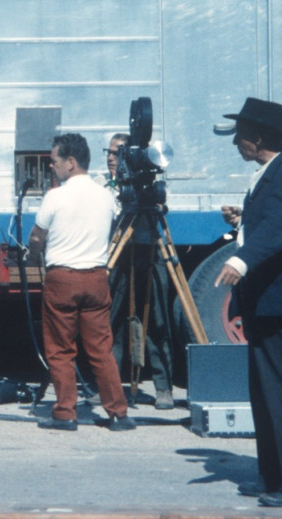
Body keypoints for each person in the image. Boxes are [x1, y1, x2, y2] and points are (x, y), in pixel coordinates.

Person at [213, 97, 282, 508]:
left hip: (279, 298)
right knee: (263, 390)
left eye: (240, 136)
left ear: (257, 138)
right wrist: (242, 222)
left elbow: (279, 228)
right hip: (264, 299)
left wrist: (241, 259)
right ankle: (273, 475)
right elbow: (268, 220)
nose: (236, 143)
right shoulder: (269, 173)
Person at [27, 133, 134, 432]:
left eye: (54, 161)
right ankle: (119, 413)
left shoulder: (55, 196)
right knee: (101, 348)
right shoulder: (105, 195)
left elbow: (37, 236)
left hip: (62, 278)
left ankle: (65, 412)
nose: (52, 167)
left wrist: (33, 255)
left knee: (61, 349)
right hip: (97, 277)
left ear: (71, 163)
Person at [104, 132, 175, 410]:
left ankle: (163, 387)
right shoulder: (104, 187)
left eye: (117, 153)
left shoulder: (151, 184)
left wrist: (156, 205)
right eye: (109, 152)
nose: (112, 158)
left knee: (156, 320)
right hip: (117, 253)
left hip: (149, 248)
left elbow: (163, 205)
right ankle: (110, 384)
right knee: (111, 320)